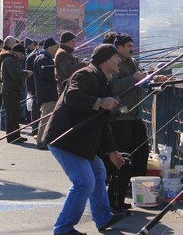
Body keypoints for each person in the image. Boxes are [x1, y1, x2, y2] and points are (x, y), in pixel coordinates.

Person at [43, 44, 128, 235]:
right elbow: (72, 96)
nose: (120, 61)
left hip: (82, 142)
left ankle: (103, 217)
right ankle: (63, 228)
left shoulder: (106, 82)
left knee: (99, 174)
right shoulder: (85, 74)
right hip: (65, 140)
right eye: (116, 57)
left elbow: (103, 121)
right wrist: (99, 102)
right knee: (84, 182)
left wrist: (111, 150)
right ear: (105, 59)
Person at [106, 33, 168, 211]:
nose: (131, 49)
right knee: (123, 158)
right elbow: (112, 86)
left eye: (132, 46)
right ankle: (116, 197)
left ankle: (136, 189)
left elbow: (140, 80)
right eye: (128, 46)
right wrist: (133, 78)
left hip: (135, 116)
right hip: (120, 118)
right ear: (119, 48)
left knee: (141, 152)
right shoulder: (114, 63)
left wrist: (154, 79)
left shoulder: (132, 62)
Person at [0, 43, 33, 143]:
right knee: (12, 115)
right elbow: (15, 74)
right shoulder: (10, 60)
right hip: (10, 90)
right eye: (21, 54)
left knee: (14, 115)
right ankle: (12, 137)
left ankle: (16, 135)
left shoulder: (11, 60)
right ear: (17, 52)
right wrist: (26, 73)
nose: (22, 57)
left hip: (12, 89)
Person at [33, 37, 59, 149]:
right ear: (50, 46)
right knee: (45, 118)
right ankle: (41, 141)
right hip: (47, 92)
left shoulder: (43, 57)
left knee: (47, 117)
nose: (56, 50)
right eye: (55, 47)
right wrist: (57, 75)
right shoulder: (43, 58)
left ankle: (44, 140)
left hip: (46, 92)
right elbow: (46, 75)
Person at [54, 31, 87, 96]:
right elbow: (68, 70)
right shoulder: (62, 54)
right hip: (66, 89)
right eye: (73, 41)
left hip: (68, 88)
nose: (74, 44)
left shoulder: (65, 52)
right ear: (67, 41)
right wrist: (83, 64)